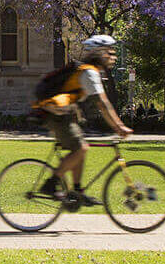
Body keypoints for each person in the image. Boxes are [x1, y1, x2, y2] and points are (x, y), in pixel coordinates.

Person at [30, 34, 134, 206]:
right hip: (55, 113)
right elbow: (102, 103)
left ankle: (77, 192)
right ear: (100, 53)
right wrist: (119, 127)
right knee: (81, 148)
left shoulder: (90, 72)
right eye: (110, 52)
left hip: (63, 112)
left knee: (80, 148)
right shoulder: (89, 73)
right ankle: (50, 185)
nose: (114, 56)